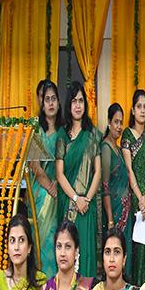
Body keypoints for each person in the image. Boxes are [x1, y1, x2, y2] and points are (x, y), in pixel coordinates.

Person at [55, 81, 103, 278]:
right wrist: (76, 199)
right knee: (68, 253)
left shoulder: (92, 135)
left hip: (87, 207)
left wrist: (87, 200)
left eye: (81, 101)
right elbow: (59, 174)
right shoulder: (62, 135)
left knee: (86, 258)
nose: (77, 105)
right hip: (70, 204)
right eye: (74, 101)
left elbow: (98, 172)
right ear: (69, 105)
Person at [122, 89, 145, 286]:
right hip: (134, 199)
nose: (142, 111)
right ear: (133, 110)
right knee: (135, 243)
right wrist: (139, 197)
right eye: (139, 107)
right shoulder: (127, 135)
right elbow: (129, 170)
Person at [30, 80, 61, 277]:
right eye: (46, 99)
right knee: (42, 244)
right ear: (42, 104)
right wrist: (49, 187)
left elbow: (65, 165)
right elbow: (35, 166)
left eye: (53, 99)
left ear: (58, 103)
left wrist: (57, 184)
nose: (50, 103)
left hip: (60, 193)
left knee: (56, 242)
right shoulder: (36, 131)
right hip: (41, 194)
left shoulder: (64, 132)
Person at [101, 103, 133, 277]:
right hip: (114, 212)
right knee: (114, 254)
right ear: (108, 122)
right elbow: (105, 186)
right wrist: (111, 219)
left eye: (121, 123)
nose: (119, 127)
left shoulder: (118, 148)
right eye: (116, 122)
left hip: (126, 212)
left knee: (124, 252)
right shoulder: (106, 148)